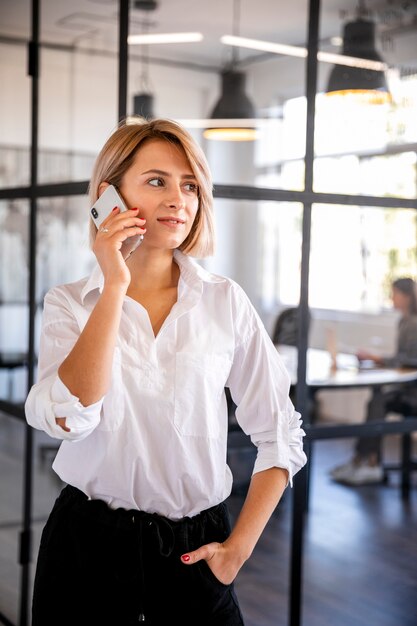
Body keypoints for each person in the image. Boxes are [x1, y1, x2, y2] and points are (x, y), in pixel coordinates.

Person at [25, 117, 307, 626]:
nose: (179, 198)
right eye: (157, 181)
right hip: (88, 546)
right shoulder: (69, 303)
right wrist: (113, 285)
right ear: (108, 196)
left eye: (190, 184)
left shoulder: (225, 301)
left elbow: (280, 431)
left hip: (196, 549)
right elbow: (70, 417)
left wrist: (237, 551)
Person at [330, 277, 417, 486]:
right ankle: (365, 461)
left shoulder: (413, 323)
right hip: (405, 388)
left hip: (413, 394)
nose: (391, 298)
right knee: (376, 400)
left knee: (378, 401)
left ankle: (368, 462)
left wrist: (377, 359)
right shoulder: (404, 321)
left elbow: (410, 360)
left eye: (394, 293)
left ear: (405, 297)